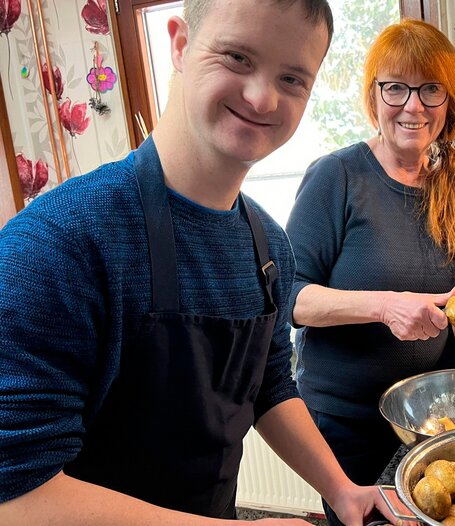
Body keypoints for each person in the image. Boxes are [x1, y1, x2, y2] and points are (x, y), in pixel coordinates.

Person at [0, 1, 404, 524]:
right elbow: (14, 494)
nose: (262, 96)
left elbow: (270, 385)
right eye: (236, 57)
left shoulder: (269, 247)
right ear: (181, 43)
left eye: (292, 78)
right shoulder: (58, 242)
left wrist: (344, 490)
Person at [285, 19, 455, 526]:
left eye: (431, 89)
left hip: (432, 418)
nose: (413, 105)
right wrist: (384, 306)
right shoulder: (336, 177)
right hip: (348, 425)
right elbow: (290, 299)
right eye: (396, 87)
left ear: (448, 101)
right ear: (374, 95)